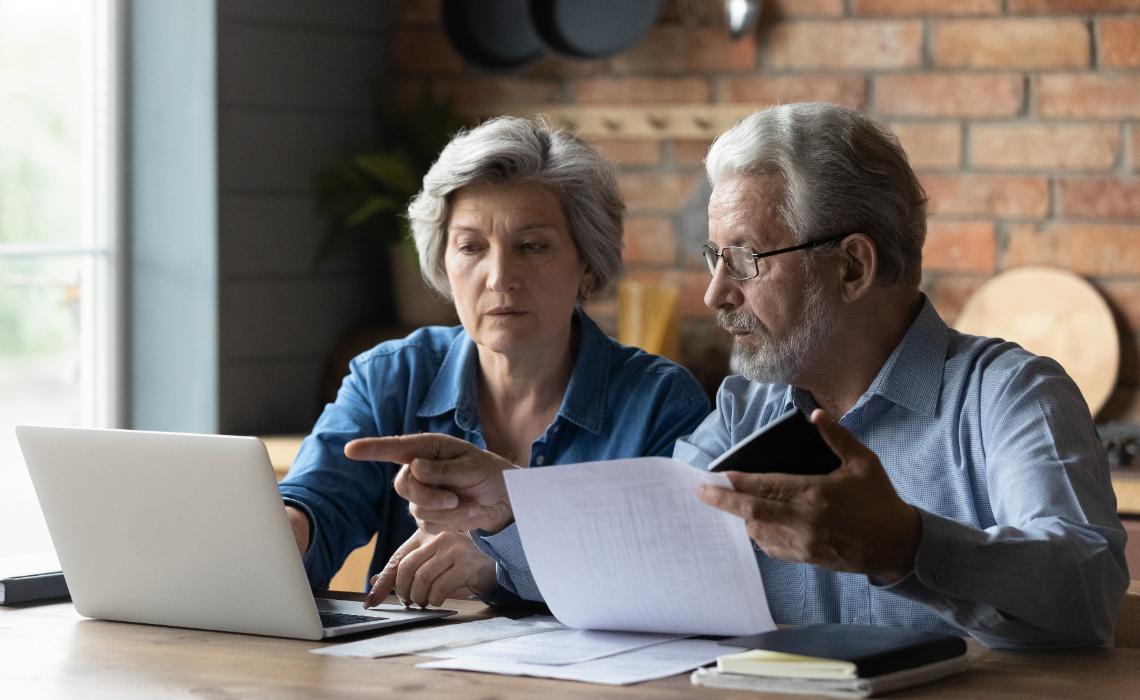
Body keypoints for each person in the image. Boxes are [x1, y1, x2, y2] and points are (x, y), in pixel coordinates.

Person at [359, 103, 1129, 649]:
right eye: (713, 258)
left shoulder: (1009, 394)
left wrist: (906, 545)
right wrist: (512, 507)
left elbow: (1087, 595)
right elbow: (646, 548)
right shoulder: (745, 408)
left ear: (853, 266)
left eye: (746, 260)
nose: (715, 295)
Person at [278, 116, 710, 608]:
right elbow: (319, 502)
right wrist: (289, 533)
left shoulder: (661, 403)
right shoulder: (391, 377)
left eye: (532, 246)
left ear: (588, 265)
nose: (500, 276)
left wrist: (502, 563)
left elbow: (675, 575)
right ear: (444, 263)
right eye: (471, 247)